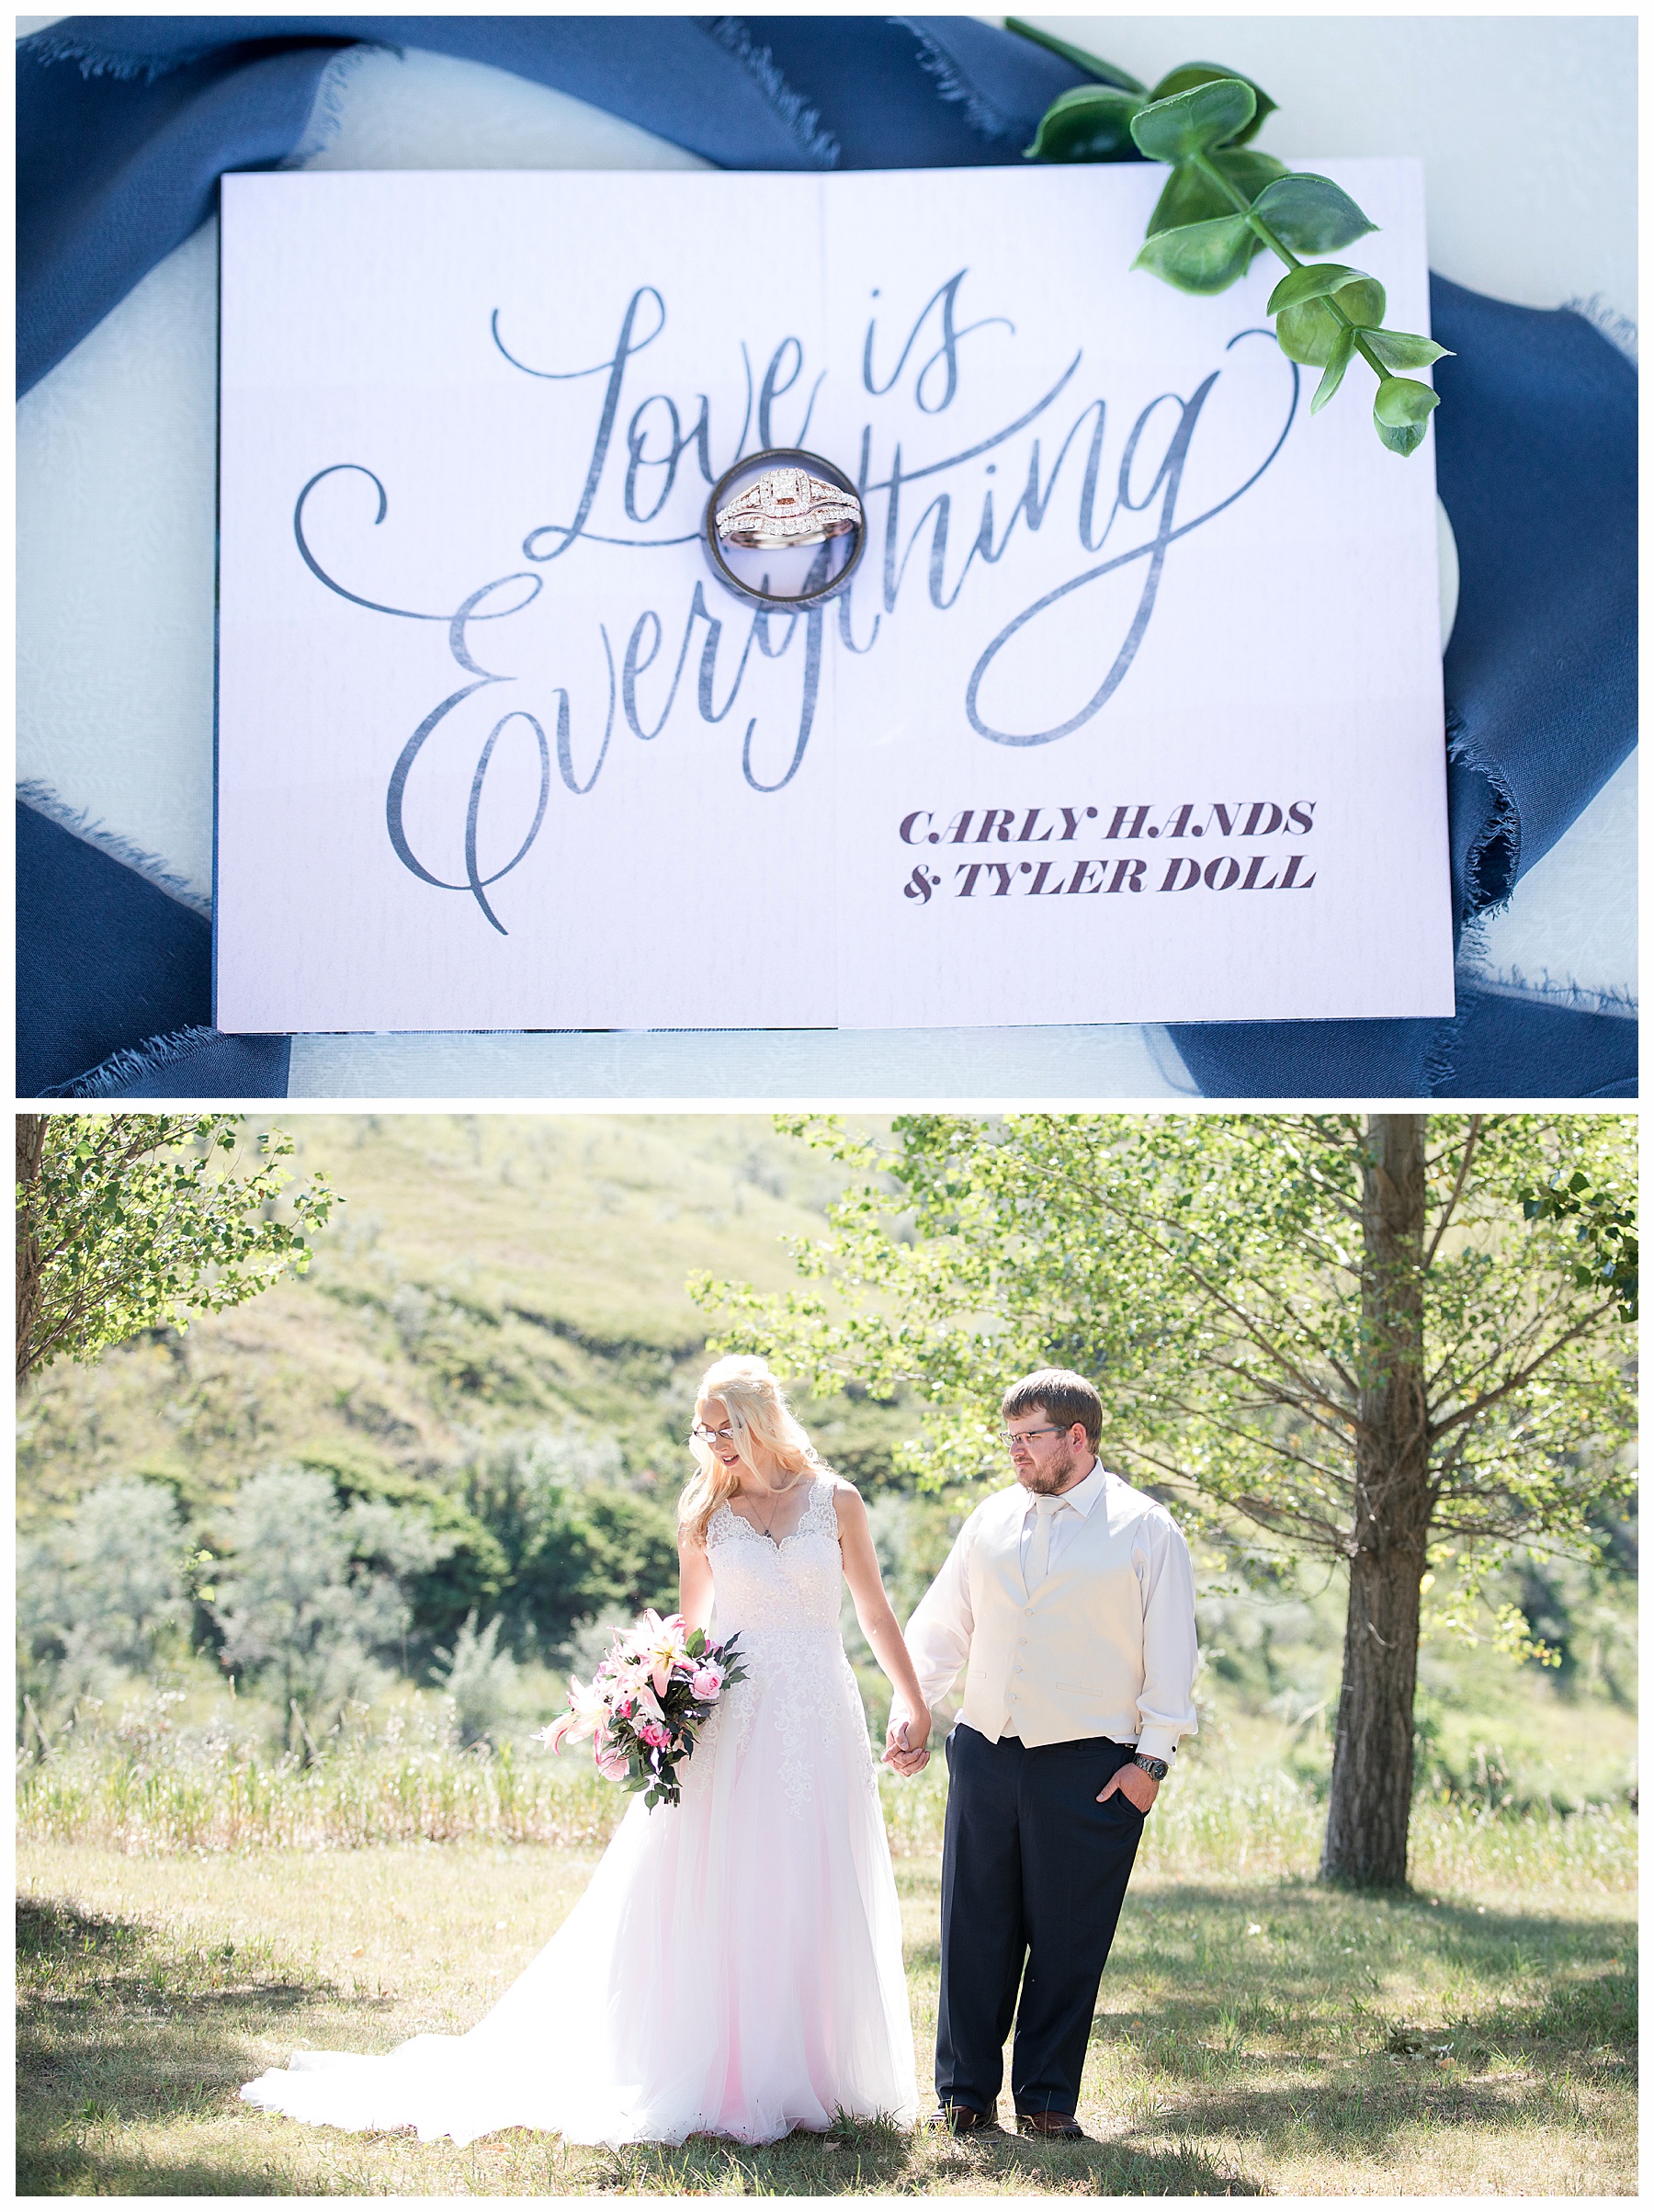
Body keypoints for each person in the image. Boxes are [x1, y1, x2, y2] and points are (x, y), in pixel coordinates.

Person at [241, 1354, 927, 2147]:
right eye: (703, 1429)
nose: (712, 1443)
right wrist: (653, 1695)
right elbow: (689, 1633)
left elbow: (874, 1612)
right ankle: (728, 2068)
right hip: (735, 1714)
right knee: (731, 1876)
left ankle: (815, 2072)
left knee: (813, 1872)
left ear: (759, 1419)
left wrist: (912, 1701)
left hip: (819, 1709)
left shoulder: (836, 1501)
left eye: (723, 1427)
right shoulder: (704, 1509)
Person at [885, 1367, 1198, 2139]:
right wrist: (911, 1707)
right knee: (973, 1926)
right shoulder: (990, 1517)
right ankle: (962, 2096)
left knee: (1067, 1937)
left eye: (1030, 1438)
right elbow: (941, 1625)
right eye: (1011, 1438)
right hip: (986, 1751)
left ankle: (1048, 2101)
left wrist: (1149, 1763)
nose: (1016, 1452)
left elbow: (1172, 1654)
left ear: (1077, 1437)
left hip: (1093, 1767)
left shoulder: (1145, 1528)